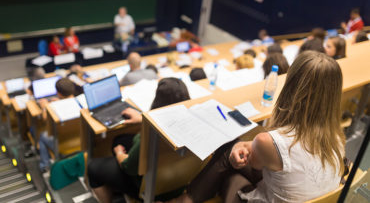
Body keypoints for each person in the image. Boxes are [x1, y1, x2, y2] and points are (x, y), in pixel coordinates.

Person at [168, 51, 346, 203]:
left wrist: (240, 147)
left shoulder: (269, 142)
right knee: (235, 152)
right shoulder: (338, 138)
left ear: (291, 87)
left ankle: (186, 199)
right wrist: (244, 146)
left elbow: (256, 157)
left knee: (231, 172)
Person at [88, 78, 191, 203]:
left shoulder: (151, 137)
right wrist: (143, 118)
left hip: (153, 190)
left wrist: (119, 153)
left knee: (93, 167)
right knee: (119, 139)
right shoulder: (188, 124)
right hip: (179, 181)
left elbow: (128, 167)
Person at [38, 78, 76, 171]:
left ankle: (45, 165)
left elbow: (44, 119)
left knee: (42, 136)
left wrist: (44, 107)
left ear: (59, 93)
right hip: (81, 140)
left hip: (62, 145)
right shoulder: (80, 101)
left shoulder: (54, 107)